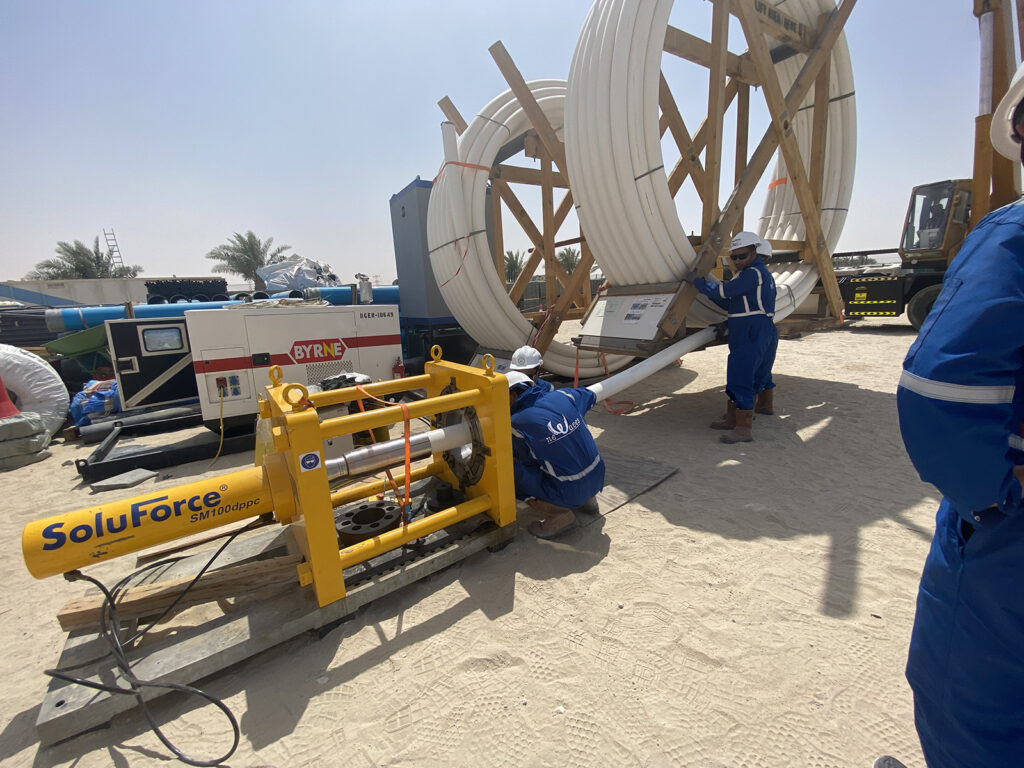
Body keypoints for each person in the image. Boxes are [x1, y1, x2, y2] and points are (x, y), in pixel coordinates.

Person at [894, 60, 1024, 768]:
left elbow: (940, 393)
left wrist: (991, 498)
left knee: (975, 710)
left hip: (1008, 535)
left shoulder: (1014, 237)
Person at [692, 231, 778, 443]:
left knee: (741, 376)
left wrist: (697, 283)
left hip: (751, 331)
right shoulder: (754, 275)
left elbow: (724, 292)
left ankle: (743, 428)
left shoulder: (753, 274)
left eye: (742, 256)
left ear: (754, 252)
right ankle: (734, 418)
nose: (737, 261)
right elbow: (731, 303)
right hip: (752, 328)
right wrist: (727, 322)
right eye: (734, 257)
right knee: (748, 375)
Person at [506, 371, 604, 539]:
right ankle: (588, 501)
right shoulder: (564, 395)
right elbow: (589, 395)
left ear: (514, 394)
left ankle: (559, 517)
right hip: (598, 477)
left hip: (571, 490)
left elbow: (526, 462)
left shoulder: (517, 423)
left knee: (508, 470)